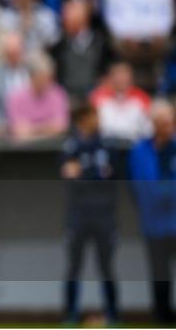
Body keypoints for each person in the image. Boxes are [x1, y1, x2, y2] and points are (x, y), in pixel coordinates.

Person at [61, 104, 119, 325]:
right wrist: (92, 173)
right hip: (78, 214)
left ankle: (112, 314)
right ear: (82, 119)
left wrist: (84, 171)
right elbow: (68, 174)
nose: (96, 120)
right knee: (74, 266)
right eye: (91, 116)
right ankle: (70, 315)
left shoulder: (107, 145)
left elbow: (111, 176)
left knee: (107, 266)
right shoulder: (71, 145)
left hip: (104, 215)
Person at [129, 99, 176, 324]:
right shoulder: (140, 150)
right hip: (154, 223)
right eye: (164, 123)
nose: (168, 128)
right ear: (154, 123)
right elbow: (142, 186)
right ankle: (162, 317)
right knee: (159, 274)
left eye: (171, 122)